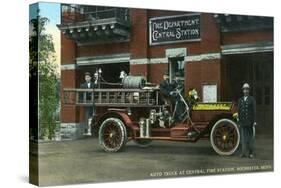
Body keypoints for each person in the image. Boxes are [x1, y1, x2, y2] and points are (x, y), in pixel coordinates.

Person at [238, 83, 257, 159]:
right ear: (243, 91)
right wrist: (239, 121)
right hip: (243, 122)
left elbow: (254, 111)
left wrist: (254, 121)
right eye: (244, 89)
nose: (246, 91)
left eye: (247, 89)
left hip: (250, 122)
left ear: (249, 91)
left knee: (250, 139)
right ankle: (243, 153)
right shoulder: (240, 100)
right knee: (243, 139)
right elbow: (239, 111)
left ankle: (251, 153)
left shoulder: (252, 99)